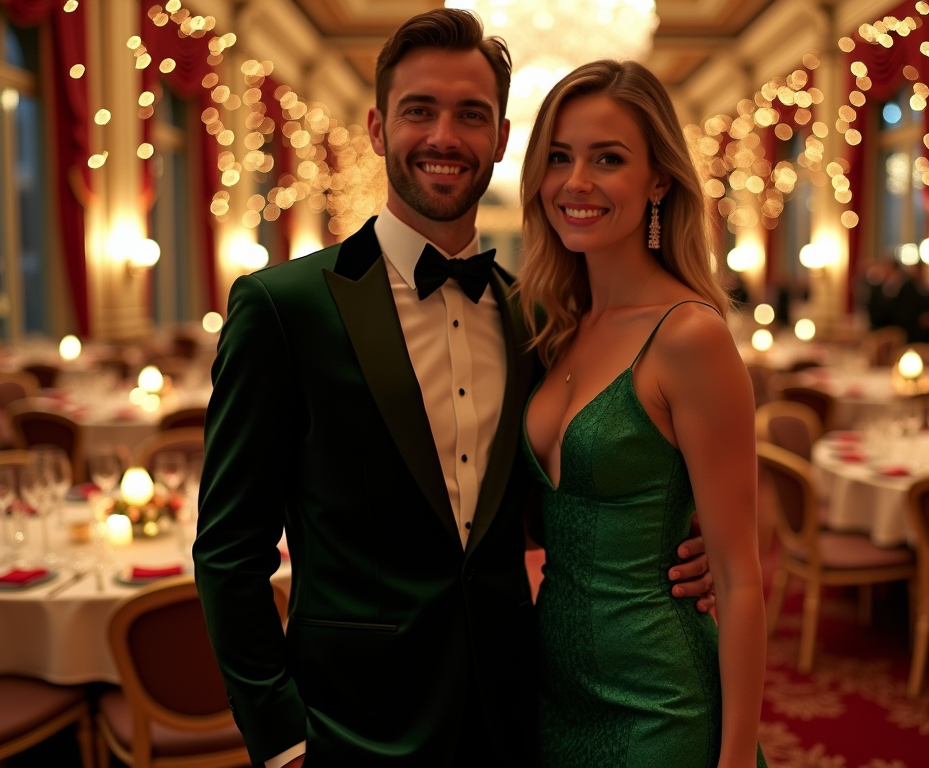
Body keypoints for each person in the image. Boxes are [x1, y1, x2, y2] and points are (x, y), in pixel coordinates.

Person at [193, 10, 713, 768]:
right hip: (349, 727)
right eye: (419, 111)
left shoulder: (533, 315)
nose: (445, 136)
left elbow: (553, 501)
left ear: (501, 139)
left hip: (515, 709)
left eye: (471, 115)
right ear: (377, 127)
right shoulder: (283, 307)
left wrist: (683, 543)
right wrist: (281, 739)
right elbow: (229, 552)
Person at [518, 60, 768, 767]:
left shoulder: (690, 335)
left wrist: (735, 758)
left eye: (609, 159)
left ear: (659, 179)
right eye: (559, 158)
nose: (577, 182)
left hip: (659, 703)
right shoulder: (554, 325)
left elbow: (742, 578)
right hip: (553, 692)